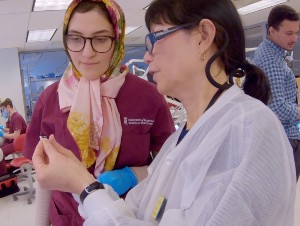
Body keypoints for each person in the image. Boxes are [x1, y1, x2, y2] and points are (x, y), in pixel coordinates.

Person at [33, 0, 296, 225]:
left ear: (203, 36)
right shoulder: (181, 140)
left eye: (156, 37)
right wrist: (86, 188)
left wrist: (85, 186)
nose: (147, 57)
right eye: (76, 39)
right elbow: (141, 212)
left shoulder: (248, 130)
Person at [24, 0, 174, 225]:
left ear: (117, 40)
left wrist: (133, 174)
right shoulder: (50, 99)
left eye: (100, 39)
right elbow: (44, 172)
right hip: (68, 217)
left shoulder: (148, 96)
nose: (87, 52)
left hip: (126, 215)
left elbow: (170, 164)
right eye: (76, 38)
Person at [253, 5, 300, 181]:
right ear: (272, 30)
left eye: (296, 32)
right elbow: (276, 107)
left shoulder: (272, 53)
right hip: (285, 139)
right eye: (289, 33)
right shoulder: (270, 60)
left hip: (284, 137)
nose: (294, 38)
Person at [0, 98, 27, 176]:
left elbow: (16, 135)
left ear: (8, 106)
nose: (2, 112)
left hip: (18, 143)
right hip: (13, 141)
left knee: (0, 153)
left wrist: (3, 134)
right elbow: (11, 131)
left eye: (2, 110)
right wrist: (2, 129)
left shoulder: (16, 117)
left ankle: (4, 176)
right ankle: (3, 172)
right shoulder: (12, 117)